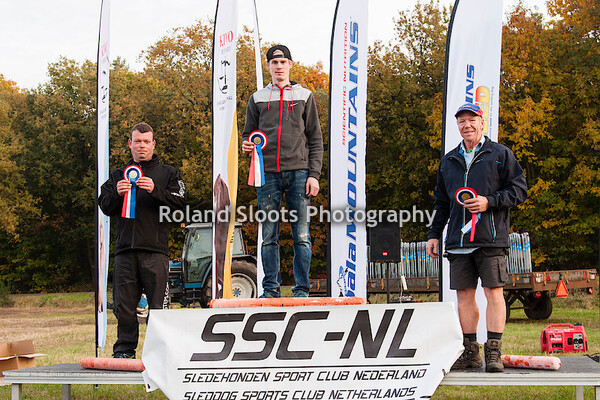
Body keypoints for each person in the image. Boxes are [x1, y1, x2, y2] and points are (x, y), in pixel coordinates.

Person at [426, 103, 527, 372]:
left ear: (482, 122)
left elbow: (519, 190)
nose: (467, 125)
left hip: (490, 238)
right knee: (464, 296)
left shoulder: (500, 154)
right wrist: (434, 234)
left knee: (493, 293)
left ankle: (493, 351)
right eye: (462, 121)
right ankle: (470, 352)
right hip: (458, 242)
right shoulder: (448, 161)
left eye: (472, 119)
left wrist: (489, 202)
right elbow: (441, 202)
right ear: (457, 126)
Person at [242, 45, 323, 298]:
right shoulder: (256, 98)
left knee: (302, 235)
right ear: (268, 66)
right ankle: (270, 290)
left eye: (283, 62)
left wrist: (314, 175)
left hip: (299, 173)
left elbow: (316, 139)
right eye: (274, 62)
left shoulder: (305, 96)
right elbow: (247, 134)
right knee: (268, 235)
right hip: (267, 174)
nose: (279, 66)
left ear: (290, 65)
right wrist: (246, 145)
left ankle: (301, 290)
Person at [99, 122, 186, 358]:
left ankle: (159, 353)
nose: (142, 146)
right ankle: (124, 350)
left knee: (158, 308)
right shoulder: (118, 175)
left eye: (146, 142)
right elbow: (104, 205)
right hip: (125, 251)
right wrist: (116, 194)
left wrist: (156, 190)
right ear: (130, 144)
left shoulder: (168, 173)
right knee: (124, 306)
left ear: (153, 144)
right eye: (137, 141)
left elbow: (181, 203)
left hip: (155, 252)